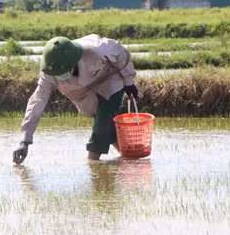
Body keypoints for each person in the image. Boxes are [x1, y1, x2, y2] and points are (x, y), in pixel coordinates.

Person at [12, 34, 139, 163]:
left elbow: (121, 53)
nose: (60, 76)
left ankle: (92, 164)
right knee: (105, 126)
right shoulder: (49, 72)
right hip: (83, 93)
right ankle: (130, 157)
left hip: (110, 80)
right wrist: (25, 141)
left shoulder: (97, 49)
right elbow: (37, 102)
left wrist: (129, 82)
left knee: (102, 121)